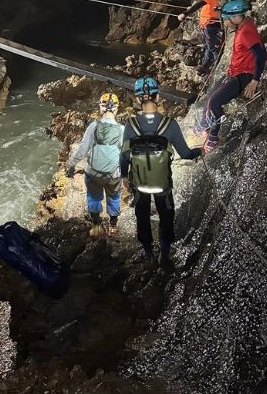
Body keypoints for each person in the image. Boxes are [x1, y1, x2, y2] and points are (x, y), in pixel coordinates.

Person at [122, 76, 200, 263]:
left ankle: (148, 252)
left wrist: (125, 176)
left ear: (139, 99)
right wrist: (200, 151)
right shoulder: (170, 125)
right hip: (162, 184)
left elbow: (124, 156)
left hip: (140, 184)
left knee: (141, 214)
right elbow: (186, 153)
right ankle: (164, 253)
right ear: (158, 98)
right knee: (166, 214)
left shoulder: (130, 125)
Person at [196, 0, 265, 153]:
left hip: (242, 77)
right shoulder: (244, 25)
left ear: (236, 18)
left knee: (213, 103)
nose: (224, 23)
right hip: (234, 72)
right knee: (209, 97)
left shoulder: (245, 33)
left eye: (226, 19)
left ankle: (213, 138)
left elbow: (261, 55)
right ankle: (204, 124)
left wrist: (255, 80)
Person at [66, 92, 127, 238]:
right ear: (116, 109)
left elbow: (82, 150)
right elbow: (126, 154)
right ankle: (112, 226)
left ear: (101, 108)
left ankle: (96, 225)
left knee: (93, 197)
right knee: (114, 197)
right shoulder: (122, 129)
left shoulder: (93, 126)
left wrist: (71, 166)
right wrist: (126, 175)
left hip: (93, 173)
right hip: (113, 174)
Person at [177, 0, 222, 74]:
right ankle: (205, 66)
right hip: (206, 26)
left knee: (213, 48)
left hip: (210, 26)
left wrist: (185, 13)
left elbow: (199, 5)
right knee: (207, 46)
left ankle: (218, 68)